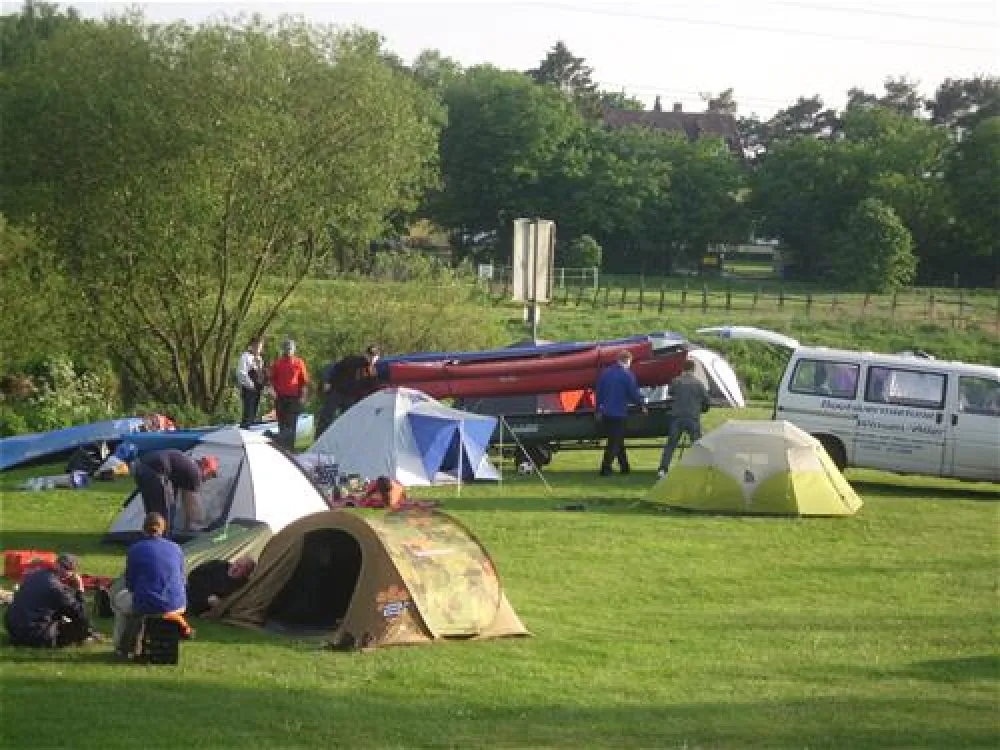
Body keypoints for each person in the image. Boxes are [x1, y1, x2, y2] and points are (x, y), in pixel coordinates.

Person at [113, 512, 187, 658]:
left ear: (143, 529)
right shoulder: (176, 548)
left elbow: (130, 584)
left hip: (147, 604)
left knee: (119, 602)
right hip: (177, 603)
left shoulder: (135, 549)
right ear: (164, 529)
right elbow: (182, 579)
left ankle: (122, 646)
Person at [4, 553, 100, 648]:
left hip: (13, 629)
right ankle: (85, 637)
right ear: (71, 572)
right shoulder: (57, 588)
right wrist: (80, 589)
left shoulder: (33, 575)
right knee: (83, 625)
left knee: (57, 614)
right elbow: (82, 615)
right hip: (36, 634)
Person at [133, 448, 218, 534]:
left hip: (141, 466)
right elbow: (192, 505)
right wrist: (197, 524)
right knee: (164, 512)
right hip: (156, 471)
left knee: (152, 511)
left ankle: (150, 537)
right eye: (211, 474)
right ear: (206, 468)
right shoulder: (196, 474)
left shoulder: (187, 464)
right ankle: (163, 541)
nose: (208, 478)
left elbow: (175, 493)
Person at [595, 350, 647, 476]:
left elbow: (599, 392)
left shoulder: (605, 373)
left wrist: (598, 409)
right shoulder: (627, 375)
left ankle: (625, 467)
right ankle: (605, 468)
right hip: (618, 413)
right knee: (614, 442)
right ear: (627, 361)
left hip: (606, 412)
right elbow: (633, 394)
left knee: (617, 440)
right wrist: (642, 405)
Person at [657, 359, 711, 479]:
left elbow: (670, 393)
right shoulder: (699, 384)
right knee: (697, 445)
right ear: (693, 369)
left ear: (683, 369)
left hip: (677, 417)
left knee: (671, 445)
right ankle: (699, 468)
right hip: (693, 417)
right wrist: (702, 409)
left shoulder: (676, 381)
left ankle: (663, 469)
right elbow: (707, 401)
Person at [315, 345, 381, 437]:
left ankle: (342, 444)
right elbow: (334, 368)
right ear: (365, 354)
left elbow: (374, 388)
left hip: (351, 398)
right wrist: (327, 381)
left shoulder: (372, 371)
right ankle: (318, 441)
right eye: (370, 355)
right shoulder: (351, 360)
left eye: (374, 356)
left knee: (347, 421)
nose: (372, 358)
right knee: (326, 417)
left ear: (377, 358)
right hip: (336, 392)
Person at [269, 338, 310, 450]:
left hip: (294, 398)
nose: (288, 350)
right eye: (286, 347)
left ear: (294, 349)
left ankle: (290, 449)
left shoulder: (299, 362)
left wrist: (303, 396)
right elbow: (271, 380)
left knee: (291, 424)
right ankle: (282, 449)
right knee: (282, 424)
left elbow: (304, 381)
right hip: (280, 398)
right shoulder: (277, 363)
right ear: (283, 349)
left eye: (290, 348)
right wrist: (272, 392)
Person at [185, 556, 256, 616]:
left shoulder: (243, 586)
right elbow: (193, 575)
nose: (235, 568)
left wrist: (221, 604)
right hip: (189, 597)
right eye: (236, 563)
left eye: (240, 567)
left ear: (246, 573)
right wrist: (208, 596)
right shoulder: (217, 565)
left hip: (205, 612)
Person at [236, 337, 265, 428]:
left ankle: (250, 428)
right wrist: (250, 385)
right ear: (252, 346)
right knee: (248, 411)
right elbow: (241, 373)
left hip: (257, 389)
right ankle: (244, 428)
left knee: (254, 412)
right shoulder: (245, 356)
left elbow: (260, 374)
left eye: (260, 347)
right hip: (248, 388)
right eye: (257, 347)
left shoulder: (260, 358)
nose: (258, 349)